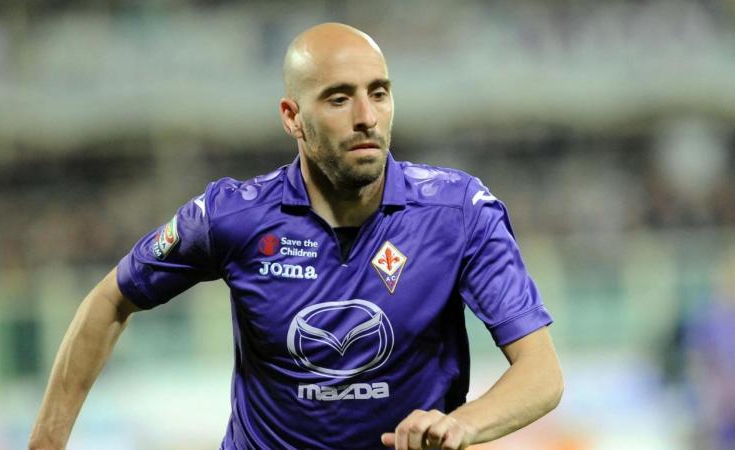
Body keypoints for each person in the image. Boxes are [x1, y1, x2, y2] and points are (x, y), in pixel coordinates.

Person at [28, 22, 563, 450]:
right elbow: (110, 300)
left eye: (379, 93)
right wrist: (46, 443)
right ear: (292, 117)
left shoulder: (459, 212)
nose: (366, 117)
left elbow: (541, 373)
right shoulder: (231, 217)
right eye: (338, 99)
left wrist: (463, 423)